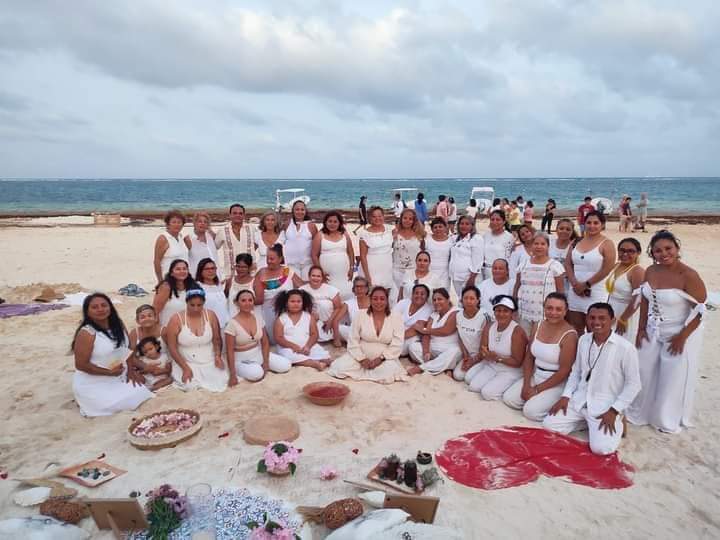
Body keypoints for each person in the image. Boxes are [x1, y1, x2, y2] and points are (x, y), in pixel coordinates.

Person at [627, 230, 706, 434]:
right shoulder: (651, 271)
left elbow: (700, 311)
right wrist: (641, 328)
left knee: (671, 378)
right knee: (644, 371)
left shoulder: (688, 275)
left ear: (677, 248)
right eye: (658, 251)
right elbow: (645, 299)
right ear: (652, 254)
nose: (664, 254)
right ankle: (641, 412)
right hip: (652, 330)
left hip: (679, 332)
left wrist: (682, 337)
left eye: (668, 248)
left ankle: (664, 419)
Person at [544, 303, 640, 455]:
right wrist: (565, 396)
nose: (596, 322)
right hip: (580, 400)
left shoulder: (626, 348)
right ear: (587, 319)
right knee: (549, 425)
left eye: (602, 318)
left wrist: (614, 410)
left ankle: (618, 419)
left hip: (606, 406)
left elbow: (634, 385)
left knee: (601, 449)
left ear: (612, 320)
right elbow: (576, 372)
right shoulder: (584, 340)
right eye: (592, 318)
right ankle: (586, 422)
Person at [71, 293, 153, 417]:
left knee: (141, 391)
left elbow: (127, 349)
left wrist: (131, 371)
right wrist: (108, 373)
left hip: (119, 373)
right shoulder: (87, 333)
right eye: (94, 307)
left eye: (104, 305)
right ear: (87, 311)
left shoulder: (118, 324)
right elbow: (81, 365)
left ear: (110, 307)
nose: (100, 309)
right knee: (124, 401)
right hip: (95, 380)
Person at [503, 293, 578, 421]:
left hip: (556, 382)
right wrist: (526, 384)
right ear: (544, 307)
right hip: (536, 375)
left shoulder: (570, 335)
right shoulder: (538, 325)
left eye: (558, 309)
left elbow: (564, 371)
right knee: (509, 399)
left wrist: (537, 390)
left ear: (565, 311)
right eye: (549, 308)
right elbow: (529, 357)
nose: (553, 312)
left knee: (530, 412)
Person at [328, 286, 407, 384]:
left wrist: (380, 359)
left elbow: (397, 343)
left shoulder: (396, 317)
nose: (378, 302)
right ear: (370, 300)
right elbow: (353, 339)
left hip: (385, 358)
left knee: (388, 372)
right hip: (361, 354)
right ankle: (368, 372)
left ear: (387, 301)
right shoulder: (360, 314)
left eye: (382, 299)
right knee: (339, 368)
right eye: (375, 299)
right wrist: (361, 359)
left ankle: (367, 373)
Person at [165, 289, 227, 392]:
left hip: (209, 359)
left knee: (220, 382)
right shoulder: (176, 319)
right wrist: (185, 368)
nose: (196, 308)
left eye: (199, 305)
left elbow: (217, 339)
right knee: (190, 385)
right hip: (186, 361)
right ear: (186, 303)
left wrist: (217, 356)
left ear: (204, 303)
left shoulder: (211, 315)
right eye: (192, 305)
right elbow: (172, 347)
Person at [466, 295, 527, 398]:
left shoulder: (517, 331)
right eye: (498, 310)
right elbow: (483, 349)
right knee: (473, 386)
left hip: (510, 370)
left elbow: (517, 362)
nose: (501, 314)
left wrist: (497, 358)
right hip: (492, 365)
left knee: (487, 393)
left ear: (512, 313)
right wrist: (485, 354)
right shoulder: (489, 326)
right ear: (494, 312)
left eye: (505, 311)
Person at [565, 211, 616, 334]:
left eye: (596, 223)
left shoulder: (607, 244)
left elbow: (607, 268)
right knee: (575, 327)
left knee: (594, 327)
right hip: (575, 290)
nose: (592, 226)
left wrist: (586, 285)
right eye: (589, 222)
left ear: (602, 225)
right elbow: (568, 264)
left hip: (596, 291)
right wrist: (575, 284)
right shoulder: (576, 242)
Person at [225, 289, 290, 384]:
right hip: (242, 359)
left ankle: (259, 365)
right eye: (243, 300)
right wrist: (232, 374)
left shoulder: (258, 317)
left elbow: (265, 342)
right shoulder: (232, 324)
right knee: (257, 374)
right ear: (236, 303)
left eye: (250, 300)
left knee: (285, 365)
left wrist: (266, 362)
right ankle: (249, 368)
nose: (247, 303)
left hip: (258, 353)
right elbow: (229, 350)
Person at [513, 232, 565, 334]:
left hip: (547, 314)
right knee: (524, 338)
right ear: (532, 245)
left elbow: (560, 291)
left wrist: (560, 311)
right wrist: (514, 305)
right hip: (525, 312)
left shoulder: (554, 266)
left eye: (542, 244)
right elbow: (517, 286)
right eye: (536, 244)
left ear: (548, 246)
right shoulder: (523, 264)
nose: (539, 247)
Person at [253, 244, 304, 344]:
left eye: (272, 259)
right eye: (267, 258)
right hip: (267, 313)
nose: (269, 261)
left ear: (280, 259)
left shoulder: (287, 271)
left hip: (288, 312)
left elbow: (302, 287)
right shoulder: (261, 273)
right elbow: (256, 295)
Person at [407, 288, 461, 376]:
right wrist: (426, 351)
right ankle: (443, 367)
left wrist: (423, 330)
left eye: (440, 299)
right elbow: (426, 335)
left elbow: (446, 330)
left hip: (449, 348)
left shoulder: (455, 312)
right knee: (413, 347)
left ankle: (421, 368)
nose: (436, 302)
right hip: (434, 347)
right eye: (434, 300)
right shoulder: (434, 315)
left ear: (448, 300)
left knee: (456, 351)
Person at [605, 238, 644, 345]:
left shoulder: (637, 271)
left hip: (627, 312)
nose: (625, 254)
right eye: (622, 250)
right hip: (611, 310)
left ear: (638, 253)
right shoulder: (616, 266)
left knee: (622, 343)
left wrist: (623, 319)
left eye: (631, 251)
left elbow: (638, 298)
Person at [312, 210, 354, 300]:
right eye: (330, 221)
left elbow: (351, 252)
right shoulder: (320, 235)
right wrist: (320, 273)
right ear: (325, 222)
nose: (332, 224)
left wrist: (351, 268)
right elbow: (314, 255)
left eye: (335, 222)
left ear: (339, 223)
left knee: (346, 295)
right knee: (330, 297)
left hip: (344, 273)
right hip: (327, 276)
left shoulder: (344, 234)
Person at [301, 266, 344, 346]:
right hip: (311, 318)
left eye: (318, 276)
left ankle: (331, 333)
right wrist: (310, 314)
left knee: (324, 304)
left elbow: (338, 307)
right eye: (313, 275)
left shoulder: (331, 289)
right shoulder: (302, 290)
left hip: (328, 317)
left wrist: (330, 321)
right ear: (309, 276)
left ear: (322, 278)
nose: (316, 278)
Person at [451, 286, 485, 381]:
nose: (468, 301)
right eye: (465, 298)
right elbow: (460, 337)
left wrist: (473, 361)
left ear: (478, 300)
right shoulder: (458, 315)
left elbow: (487, 345)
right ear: (461, 300)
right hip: (468, 354)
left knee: (469, 379)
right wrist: (466, 356)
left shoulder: (484, 316)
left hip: (482, 356)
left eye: (472, 298)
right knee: (458, 376)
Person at [153, 259, 199, 327]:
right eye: (178, 269)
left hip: (187, 327)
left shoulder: (192, 287)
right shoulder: (165, 287)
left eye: (184, 269)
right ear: (171, 273)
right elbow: (155, 311)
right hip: (167, 327)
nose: (182, 271)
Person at [358, 206, 394, 291]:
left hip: (387, 269)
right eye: (374, 216)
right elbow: (362, 257)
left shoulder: (390, 229)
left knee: (387, 293)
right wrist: (368, 277)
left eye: (380, 216)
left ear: (383, 216)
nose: (377, 218)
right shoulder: (364, 234)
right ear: (369, 218)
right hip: (371, 270)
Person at [280, 200, 317, 280]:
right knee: (291, 286)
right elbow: (280, 242)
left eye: (302, 209)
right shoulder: (287, 224)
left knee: (306, 286)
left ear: (305, 211)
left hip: (307, 264)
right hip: (290, 264)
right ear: (293, 211)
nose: (299, 212)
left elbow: (317, 246)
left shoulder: (311, 225)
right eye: (297, 209)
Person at [448, 215, 484, 297]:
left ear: (472, 226)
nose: (464, 226)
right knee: (461, 299)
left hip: (468, 278)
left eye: (467, 224)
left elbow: (478, 261)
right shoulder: (455, 238)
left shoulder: (476, 238)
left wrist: (472, 279)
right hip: (456, 277)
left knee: (471, 299)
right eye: (462, 223)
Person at [392, 208, 425, 295]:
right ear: (401, 219)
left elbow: (423, 253)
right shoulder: (394, 233)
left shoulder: (420, 235)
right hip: (396, 271)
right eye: (405, 218)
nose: (407, 221)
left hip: (413, 272)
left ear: (414, 221)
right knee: (396, 297)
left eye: (410, 219)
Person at [217, 204, 256, 278]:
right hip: (230, 273)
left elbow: (257, 243)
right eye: (234, 213)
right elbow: (215, 246)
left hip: (251, 272)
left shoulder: (251, 228)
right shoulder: (222, 230)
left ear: (244, 215)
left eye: (240, 213)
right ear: (230, 215)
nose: (237, 215)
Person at [393, 283, 432, 356]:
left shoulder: (428, 309)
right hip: (395, 332)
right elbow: (392, 319)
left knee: (400, 347)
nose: (419, 296)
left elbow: (416, 329)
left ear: (427, 297)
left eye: (422, 294)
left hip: (410, 336)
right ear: (412, 295)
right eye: (416, 293)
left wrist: (395, 338)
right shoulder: (403, 302)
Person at [153, 209, 189, 284]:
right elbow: (157, 261)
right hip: (168, 279)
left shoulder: (181, 237)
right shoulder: (163, 238)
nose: (177, 225)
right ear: (168, 224)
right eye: (174, 222)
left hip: (183, 278)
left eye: (179, 222)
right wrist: (160, 281)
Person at [195, 258, 230, 330]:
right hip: (207, 327)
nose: (210, 271)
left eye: (213, 268)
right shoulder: (197, 287)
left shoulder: (218, 285)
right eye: (207, 269)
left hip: (225, 325)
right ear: (200, 271)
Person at [185, 211, 221, 279]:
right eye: (200, 221)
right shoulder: (188, 239)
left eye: (205, 222)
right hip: (197, 277)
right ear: (194, 223)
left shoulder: (211, 236)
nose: (202, 223)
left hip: (215, 276)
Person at [482, 210, 514, 280]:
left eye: (498, 220)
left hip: (501, 273)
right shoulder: (485, 235)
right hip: (486, 272)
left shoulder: (509, 237)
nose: (494, 222)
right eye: (492, 219)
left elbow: (510, 257)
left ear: (504, 221)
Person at [337, 277, 371, 341]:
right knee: (340, 328)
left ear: (367, 289)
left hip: (372, 331)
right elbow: (336, 320)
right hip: (356, 332)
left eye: (362, 286)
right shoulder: (349, 303)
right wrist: (336, 339)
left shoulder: (374, 301)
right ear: (353, 289)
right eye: (357, 287)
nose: (359, 289)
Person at [425, 217, 452, 289]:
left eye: (440, 226)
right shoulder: (427, 239)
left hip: (445, 274)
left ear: (445, 228)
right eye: (435, 227)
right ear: (431, 229)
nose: (438, 229)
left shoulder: (451, 240)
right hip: (429, 272)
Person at [225, 253, 255, 318]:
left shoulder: (255, 282)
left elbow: (259, 301)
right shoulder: (230, 281)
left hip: (250, 319)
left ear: (249, 267)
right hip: (232, 319)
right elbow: (225, 298)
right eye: (238, 266)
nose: (240, 269)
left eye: (244, 267)